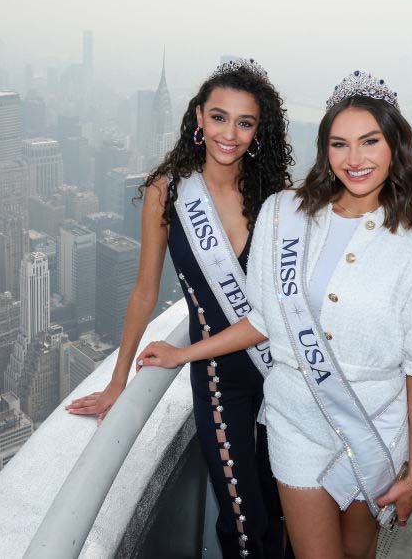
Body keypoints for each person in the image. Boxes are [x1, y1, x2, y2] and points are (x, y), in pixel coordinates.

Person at [137, 71, 412, 559]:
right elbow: (264, 318)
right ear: (325, 151)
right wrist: (184, 355)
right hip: (295, 424)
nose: (355, 159)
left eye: (369, 142)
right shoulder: (287, 215)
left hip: (373, 427)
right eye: (339, 144)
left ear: (394, 146)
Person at [67, 58, 294, 558]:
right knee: (244, 526)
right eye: (218, 117)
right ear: (198, 118)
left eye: (244, 121)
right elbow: (145, 291)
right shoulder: (167, 191)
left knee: (284, 511)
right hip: (218, 379)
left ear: (259, 130)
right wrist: (118, 381)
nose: (229, 133)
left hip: (283, 372)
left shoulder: (274, 196)